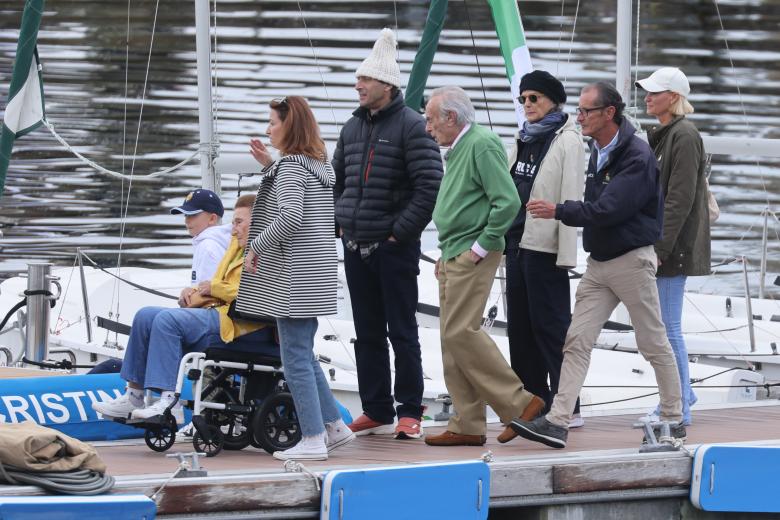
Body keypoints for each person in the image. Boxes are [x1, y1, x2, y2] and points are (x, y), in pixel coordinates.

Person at [512, 82, 683, 449]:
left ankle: (673, 416)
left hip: (632, 263)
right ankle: (558, 420)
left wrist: (557, 210)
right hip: (600, 263)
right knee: (576, 341)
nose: (580, 116)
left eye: (587, 111)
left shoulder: (636, 156)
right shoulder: (597, 148)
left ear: (610, 113)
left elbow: (608, 210)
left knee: (652, 342)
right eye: (579, 110)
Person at [333, 28, 443, 439]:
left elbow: (430, 184)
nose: (358, 86)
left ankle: (410, 410)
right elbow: (338, 179)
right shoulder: (351, 127)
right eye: (358, 80)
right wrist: (341, 221)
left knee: (401, 330)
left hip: (393, 248)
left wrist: (400, 233)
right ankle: (376, 407)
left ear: (386, 84)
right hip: (355, 244)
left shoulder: (413, 127)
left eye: (365, 80)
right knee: (366, 332)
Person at [422, 86, 545, 447]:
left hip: (473, 251)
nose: (428, 128)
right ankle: (467, 422)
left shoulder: (481, 143)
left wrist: (482, 245)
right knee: (451, 338)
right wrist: (447, 252)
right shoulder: (459, 148)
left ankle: (522, 403)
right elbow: (465, 202)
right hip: (454, 249)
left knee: (462, 332)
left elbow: (506, 201)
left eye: (431, 120)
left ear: (451, 117)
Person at [234, 96, 354, 461]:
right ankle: (334, 426)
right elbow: (296, 194)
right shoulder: (315, 165)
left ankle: (314, 437)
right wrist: (269, 164)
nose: (268, 128)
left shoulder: (291, 169)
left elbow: (290, 217)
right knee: (304, 352)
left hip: (293, 274)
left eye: (272, 122)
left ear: (290, 126)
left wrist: (254, 246)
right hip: (315, 273)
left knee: (295, 358)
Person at [92, 194, 268, 424]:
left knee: (168, 321)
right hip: (218, 309)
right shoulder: (235, 244)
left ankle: (168, 402)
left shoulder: (264, 250)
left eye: (238, 222)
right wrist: (194, 291)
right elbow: (215, 283)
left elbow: (253, 292)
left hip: (237, 322)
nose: (232, 229)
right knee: (145, 316)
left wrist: (211, 289)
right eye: (233, 222)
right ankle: (134, 395)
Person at [499, 70, 585, 444]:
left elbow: (572, 196)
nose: (527, 105)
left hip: (546, 245)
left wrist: (568, 252)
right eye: (523, 99)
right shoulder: (520, 140)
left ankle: (569, 405)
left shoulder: (567, 141)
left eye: (534, 98)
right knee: (519, 327)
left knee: (550, 326)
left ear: (553, 100)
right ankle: (533, 401)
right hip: (516, 241)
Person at [636, 67, 710, 426]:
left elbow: (679, 199)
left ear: (674, 97)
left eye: (655, 92)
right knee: (663, 327)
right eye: (647, 92)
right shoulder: (663, 135)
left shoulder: (683, 136)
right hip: (664, 244)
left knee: (668, 329)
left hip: (671, 248)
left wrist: (659, 248)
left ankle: (678, 407)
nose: (647, 97)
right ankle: (683, 393)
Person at [170, 188, 232, 292]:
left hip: (211, 307)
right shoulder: (213, 242)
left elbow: (208, 294)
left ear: (212, 219)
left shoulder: (208, 247)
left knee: (148, 309)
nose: (186, 220)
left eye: (192, 215)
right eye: (186, 215)